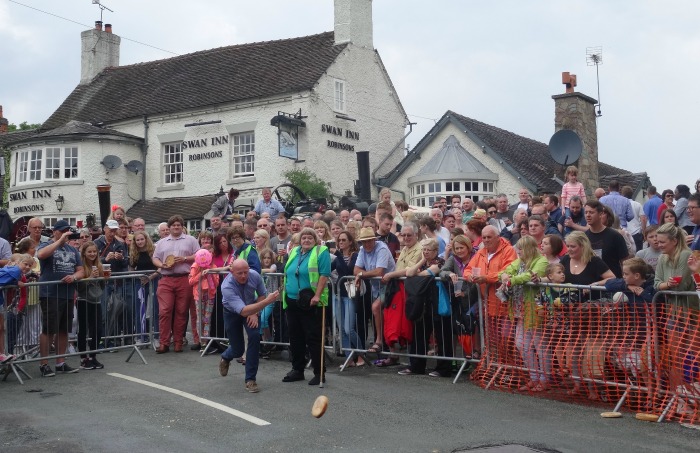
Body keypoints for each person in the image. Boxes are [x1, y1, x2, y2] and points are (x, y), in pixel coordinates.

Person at [216, 259, 279, 393]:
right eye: (240, 273)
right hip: (232, 312)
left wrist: (255, 312)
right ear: (232, 272)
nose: (244, 276)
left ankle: (250, 379)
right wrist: (267, 302)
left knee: (255, 337)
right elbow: (244, 311)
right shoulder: (226, 286)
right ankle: (226, 356)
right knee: (238, 350)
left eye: (246, 272)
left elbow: (261, 294)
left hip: (252, 309)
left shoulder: (254, 275)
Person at [499, 236, 550, 392]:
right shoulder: (520, 261)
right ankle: (534, 378)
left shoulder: (541, 261)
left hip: (536, 308)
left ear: (528, 248)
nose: (518, 251)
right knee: (522, 344)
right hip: (521, 310)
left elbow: (530, 276)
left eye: (520, 248)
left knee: (540, 346)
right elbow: (506, 270)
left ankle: (545, 379)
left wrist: (511, 280)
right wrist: (505, 276)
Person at [281, 228, 331, 385]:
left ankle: (319, 372)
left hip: (311, 302)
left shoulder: (321, 251)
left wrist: (317, 295)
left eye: (310, 237)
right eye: (304, 238)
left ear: (315, 239)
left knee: (313, 337)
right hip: (292, 300)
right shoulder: (295, 251)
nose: (307, 240)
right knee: (295, 337)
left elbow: (324, 274)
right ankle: (297, 369)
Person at [36, 220, 84, 376]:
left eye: (67, 231)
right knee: (48, 329)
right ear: (54, 232)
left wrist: (74, 277)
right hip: (50, 293)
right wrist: (58, 242)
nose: (65, 234)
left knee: (64, 330)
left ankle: (60, 362)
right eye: (62, 231)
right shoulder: (45, 245)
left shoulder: (73, 250)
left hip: (67, 293)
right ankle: (44, 364)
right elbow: (41, 255)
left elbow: (81, 270)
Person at [398, 238, 452, 377]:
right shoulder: (423, 261)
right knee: (419, 334)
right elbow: (409, 273)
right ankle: (416, 366)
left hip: (437, 301)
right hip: (423, 304)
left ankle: (443, 368)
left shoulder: (439, 262)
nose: (426, 252)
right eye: (424, 249)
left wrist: (418, 272)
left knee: (441, 335)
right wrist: (422, 260)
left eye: (429, 250)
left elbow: (426, 274)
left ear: (436, 251)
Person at [464, 225, 517, 363]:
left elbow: (507, 271)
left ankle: (510, 368)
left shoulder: (509, 251)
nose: (486, 240)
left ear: (497, 237)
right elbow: (468, 268)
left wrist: (486, 278)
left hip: (504, 304)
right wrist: (469, 277)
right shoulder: (481, 252)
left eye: (489, 237)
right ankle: (495, 366)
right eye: (484, 237)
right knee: (492, 339)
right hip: (487, 304)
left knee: (507, 339)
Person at [151, 215, 200, 354]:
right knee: (164, 311)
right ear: (169, 227)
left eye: (178, 225)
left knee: (181, 311)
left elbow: (199, 255)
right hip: (166, 278)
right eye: (173, 225)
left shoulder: (191, 240)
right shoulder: (161, 242)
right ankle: (164, 342)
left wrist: (185, 258)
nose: (176, 227)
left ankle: (178, 341)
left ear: (182, 226)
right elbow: (155, 258)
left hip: (184, 278)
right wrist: (162, 265)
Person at [353, 227, 397, 359]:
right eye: (364, 242)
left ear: (374, 240)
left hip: (391, 286)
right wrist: (360, 274)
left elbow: (379, 272)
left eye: (369, 241)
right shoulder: (362, 250)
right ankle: (388, 350)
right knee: (378, 313)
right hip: (376, 287)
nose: (366, 244)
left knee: (376, 308)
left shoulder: (382, 249)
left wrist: (361, 275)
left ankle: (379, 340)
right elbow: (355, 269)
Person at [332, 230, 363, 366]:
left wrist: (338, 254)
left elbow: (347, 271)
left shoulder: (355, 256)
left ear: (350, 242)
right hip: (338, 295)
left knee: (348, 329)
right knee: (341, 329)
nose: (341, 242)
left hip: (349, 294)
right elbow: (328, 268)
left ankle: (361, 355)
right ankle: (348, 358)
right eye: (339, 240)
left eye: (344, 240)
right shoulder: (338, 257)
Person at [75, 242, 105, 370]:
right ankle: (83, 358)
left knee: (97, 330)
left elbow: (102, 286)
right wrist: (90, 278)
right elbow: (79, 286)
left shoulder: (99, 265)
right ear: (84, 253)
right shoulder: (81, 266)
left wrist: (103, 278)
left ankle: (93, 356)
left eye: (94, 252)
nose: (92, 254)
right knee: (83, 329)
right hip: (83, 300)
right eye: (89, 252)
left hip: (96, 300)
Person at [0, 253, 33, 362]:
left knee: (2, 328)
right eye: (25, 264)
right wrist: (17, 281)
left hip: (2, 302)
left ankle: (3, 353)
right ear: (18, 263)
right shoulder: (16, 271)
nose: (27, 267)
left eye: (30, 265)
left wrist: (16, 281)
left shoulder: (16, 273)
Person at [584, 200, 629, 277]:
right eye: (586, 212)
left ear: (600, 214)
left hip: (612, 282)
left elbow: (625, 262)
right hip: (591, 283)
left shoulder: (615, 236)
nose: (588, 215)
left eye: (591, 212)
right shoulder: (584, 237)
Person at [189, 248, 220, 351]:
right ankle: (201, 341)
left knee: (207, 319)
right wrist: (200, 274)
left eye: (211, 252)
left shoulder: (214, 267)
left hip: (210, 296)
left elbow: (216, 284)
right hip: (199, 295)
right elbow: (191, 281)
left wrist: (209, 273)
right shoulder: (195, 266)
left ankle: (205, 343)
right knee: (200, 319)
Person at [653, 223, 693, 294]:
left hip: (688, 303)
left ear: (674, 241)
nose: (659, 245)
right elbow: (656, 285)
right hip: (670, 304)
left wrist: (664, 285)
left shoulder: (686, 254)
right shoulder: (662, 257)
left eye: (662, 242)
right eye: (658, 242)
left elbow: (680, 287)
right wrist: (668, 284)